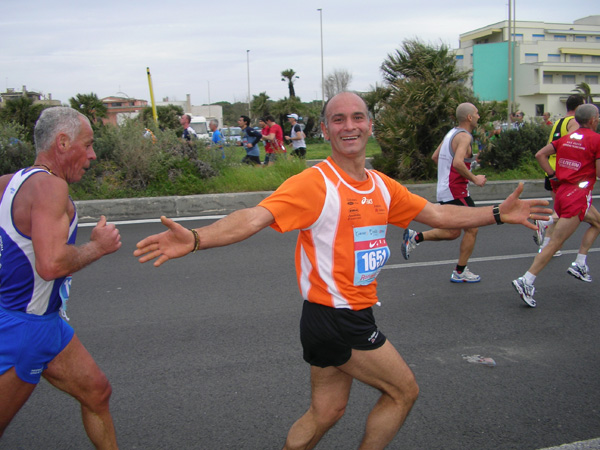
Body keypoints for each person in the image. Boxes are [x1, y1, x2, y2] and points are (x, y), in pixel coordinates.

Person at [134, 92, 549, 449]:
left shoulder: (383, 186)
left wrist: (496, 213)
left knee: (326, 412)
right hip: (336, 319)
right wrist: (196, 238)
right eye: (338, 119)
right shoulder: (315, 183)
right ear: (326, 130)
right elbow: (253, 217)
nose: (348, 126)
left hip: (338, 314)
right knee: (404, 391)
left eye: (356, 117)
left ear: (369, 125)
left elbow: (439, 213)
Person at [0, 107, 122, 448]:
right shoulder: (51, 187)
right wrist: (98, 247)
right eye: (88, 145)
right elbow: (51, 265)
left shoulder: (9, 183)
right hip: (25, 331)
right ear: (64, 142)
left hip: (48, 324)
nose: (93, 155)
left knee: (98, 393)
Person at [513, 104, 600, 308]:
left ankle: (580, 263)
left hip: (562, 192)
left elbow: (539, 155)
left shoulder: (566, 138)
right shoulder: (596, 140)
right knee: (554, 244)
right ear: (594, 120)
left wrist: (553, 175)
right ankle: (526, 280)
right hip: (577, 196)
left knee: (597, 222)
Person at [401, 103, 487, 283]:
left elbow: (435, 156)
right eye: (477, 113)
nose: (479, 116)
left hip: (447, 188)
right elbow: (457, 163)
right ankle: (460, 272)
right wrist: (474, 178)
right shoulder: (464, 137)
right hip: (456, 190)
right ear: (469, 117)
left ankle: (415, 237)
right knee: (472, 228)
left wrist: (446, 176)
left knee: (453, 232)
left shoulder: (451, 133)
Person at [534, 94, 585, 255]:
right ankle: (545, 223)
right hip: (563, 170)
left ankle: (547, 245)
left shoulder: (559, 121)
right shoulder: (574, 122)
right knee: (568, 211)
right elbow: (574, 145)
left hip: (550, 167)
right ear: (578, 108)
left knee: (559, 208)